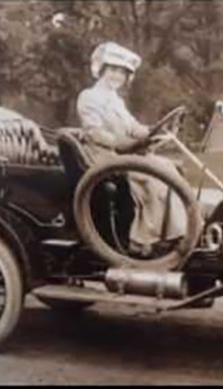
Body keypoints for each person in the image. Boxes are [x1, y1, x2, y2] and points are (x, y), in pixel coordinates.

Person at [76, 41, 186, 255]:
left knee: (171, 168)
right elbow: (95, 133)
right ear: (102, 70)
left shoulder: (115, 100)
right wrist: (125, 144)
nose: (117, 76)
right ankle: (142, 240)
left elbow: (133, 126)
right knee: (154, 177)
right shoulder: (89, 97)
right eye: (113, 70)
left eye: (122, 73)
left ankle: (175, 234)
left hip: (122, 154)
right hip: (103, 158)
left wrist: (154, 131)